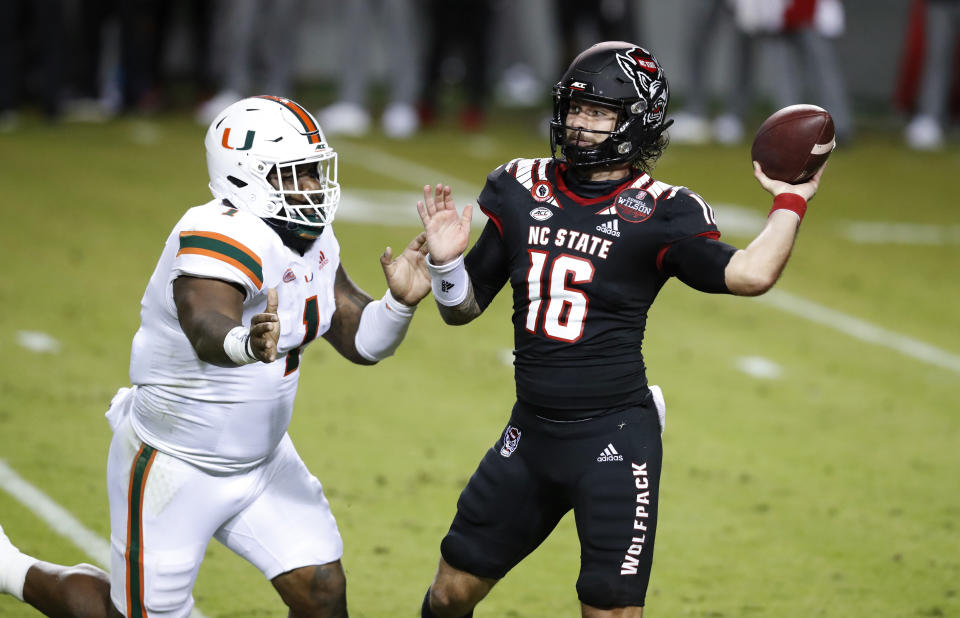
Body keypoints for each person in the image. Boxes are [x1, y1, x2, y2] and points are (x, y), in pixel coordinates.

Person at [415, 41, 825, 617]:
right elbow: (461, 309)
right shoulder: (518, 185)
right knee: (450, 593)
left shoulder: (661, 211)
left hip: (613, 438)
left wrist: (791, 200)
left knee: (608, 612)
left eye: (599, 112)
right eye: (576, 108)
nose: (580, 125)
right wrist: (444, 266)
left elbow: (752, 274)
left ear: (638, 120)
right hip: (529, 435)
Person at [0, 95, 431, 617]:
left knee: (322, 592)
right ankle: (10, 568)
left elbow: (360, 339)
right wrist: (246, 343)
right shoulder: (215, 231)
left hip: (264, 461)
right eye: (295, 174)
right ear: (247, 178)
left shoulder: (310, 235)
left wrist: (399, 304)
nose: (314, 186)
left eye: (314, 170)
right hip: (176, 462)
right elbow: (205, 321)